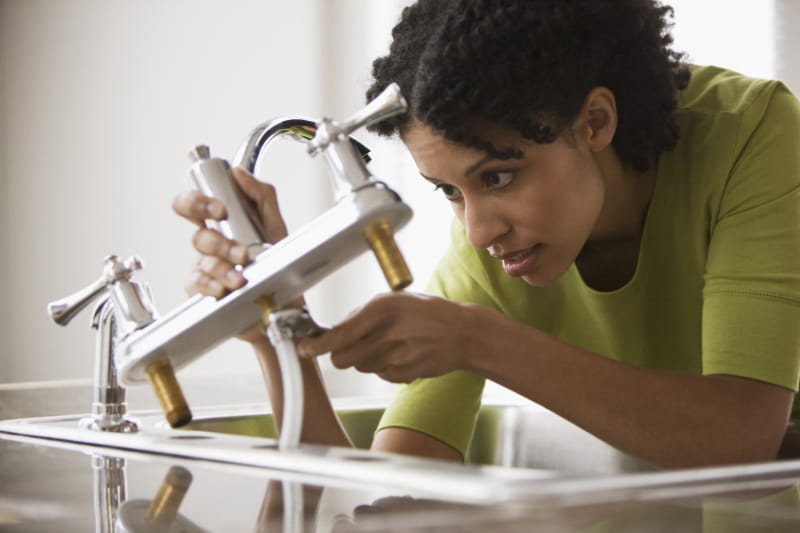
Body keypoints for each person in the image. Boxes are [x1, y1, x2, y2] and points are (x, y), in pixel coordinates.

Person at [172, 0, 800, 469]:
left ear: (596, 121)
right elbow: (392, 501)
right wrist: (274, 321)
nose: (476, 231)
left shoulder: (753, 135)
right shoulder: (496, 258)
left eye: (499, 176)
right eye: (449, 190)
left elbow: (740, 437)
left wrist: (481, 340)